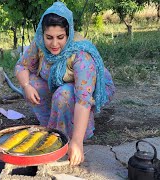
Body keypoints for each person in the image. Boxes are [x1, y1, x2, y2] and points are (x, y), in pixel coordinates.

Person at [15, 2, 115, 166]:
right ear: (43, 33)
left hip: (87, 89)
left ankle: (68, 135)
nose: (54, 44)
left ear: (68, 34)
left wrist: (77, 142)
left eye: (60, 37)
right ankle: (51, 126)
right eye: (49, 37)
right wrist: (26, 85)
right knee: (32, 82)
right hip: (59, 85)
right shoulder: (39, 44)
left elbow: (83, 99)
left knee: (65, 94)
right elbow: (22, 65)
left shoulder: (81, 55)